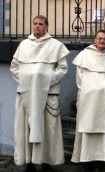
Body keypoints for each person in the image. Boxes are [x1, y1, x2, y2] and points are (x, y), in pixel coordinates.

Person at [10, 15, 69, 172]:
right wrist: (27, 81)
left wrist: (45, 81)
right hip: (26, 94)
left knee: (48, 130)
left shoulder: (55, 45)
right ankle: (29, 162)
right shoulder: (23, 45)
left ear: (46, 26)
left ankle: (46, 162)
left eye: (40, 24)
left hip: (48, 94)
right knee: (26, 128)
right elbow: (14, 67)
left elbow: (62, 68)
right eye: (35, 24)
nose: (37, 26)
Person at [71, 30, 105, 170]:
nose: (102, 41)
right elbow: (79, 77)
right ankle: (87, 160)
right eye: (99, 38)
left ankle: (101, 160)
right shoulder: (85, 55)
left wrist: (103, 89)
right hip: (87, 98)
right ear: (95, 39)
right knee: (86, 130)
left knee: (103, 133)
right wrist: (89, 89)